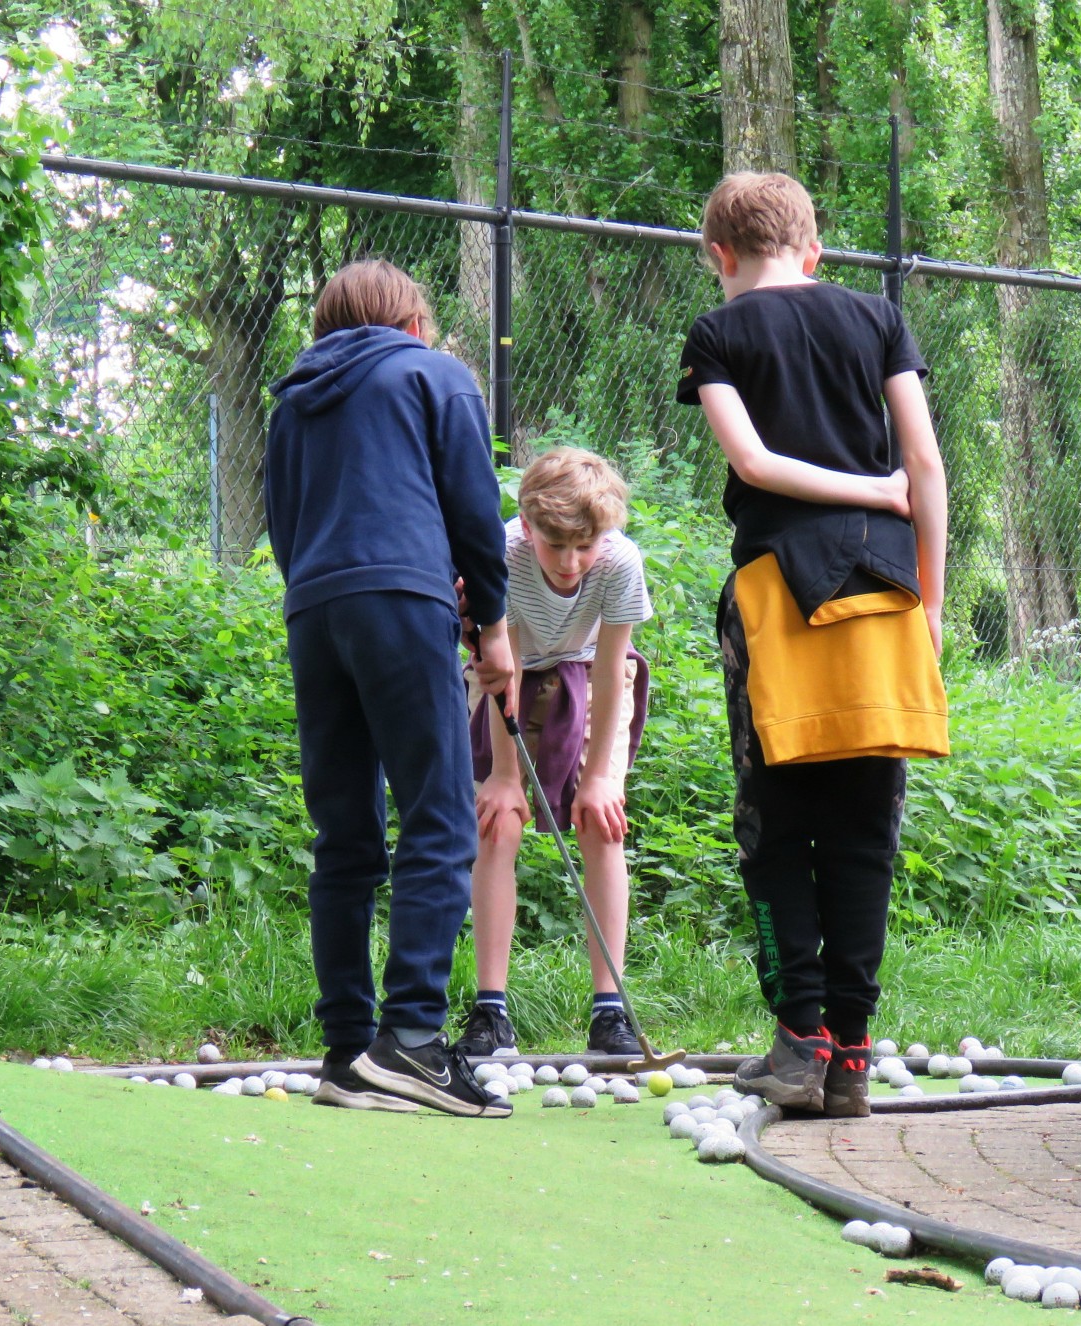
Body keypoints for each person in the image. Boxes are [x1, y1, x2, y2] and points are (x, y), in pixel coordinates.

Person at [676, 172, 950, 1118]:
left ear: (721, 255)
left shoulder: (719, 333)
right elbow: (923, 465)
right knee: (867, 827)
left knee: (775, 825)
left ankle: (802, 1038)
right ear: (814, 250)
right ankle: (854, 1059)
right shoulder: (876, 317)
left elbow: (750, 464)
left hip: (776, 601)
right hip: (886, 592)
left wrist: (861, 491)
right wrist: (933, 604)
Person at [264, 258, 517, 1118]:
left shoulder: (293, 402)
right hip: (403, 605)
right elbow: (476, 510)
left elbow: (284, 524)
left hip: (314, 611)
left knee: (344, 833)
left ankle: (346, 1053)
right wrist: (494, 626)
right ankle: (409, 1040)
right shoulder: (432, 373)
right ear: (412, 323)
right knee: (441, 816)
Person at [453, 447, 655, 1059]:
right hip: (504, 674)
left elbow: (614, 663)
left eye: (584, 546)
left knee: (603, 822)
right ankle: (491, 1014)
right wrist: (506, 777)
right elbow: (501, 660)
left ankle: (609, 1014)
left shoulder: (619, 560)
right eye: (555, 544)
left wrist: (598, 778)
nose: (571, 562)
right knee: (498, 823)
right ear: (528, 523)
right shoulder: (506, 554)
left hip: (590, 673)